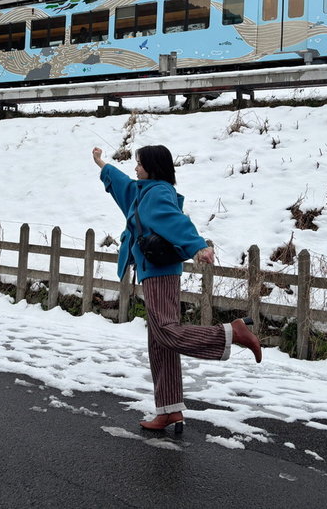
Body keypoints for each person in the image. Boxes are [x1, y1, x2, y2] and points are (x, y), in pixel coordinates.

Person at [93, 144, 262, 435]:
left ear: (153, 166)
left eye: (140, 164)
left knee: (166, 332)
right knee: (159, 343)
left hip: (159, 272)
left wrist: (198, 246)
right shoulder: (141, 191)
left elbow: (174, 221)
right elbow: (121, 184)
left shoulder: (157, 193)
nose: (135, 169)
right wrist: (101, 163)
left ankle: (232, 332)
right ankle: (170, 411)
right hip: (154, 271)